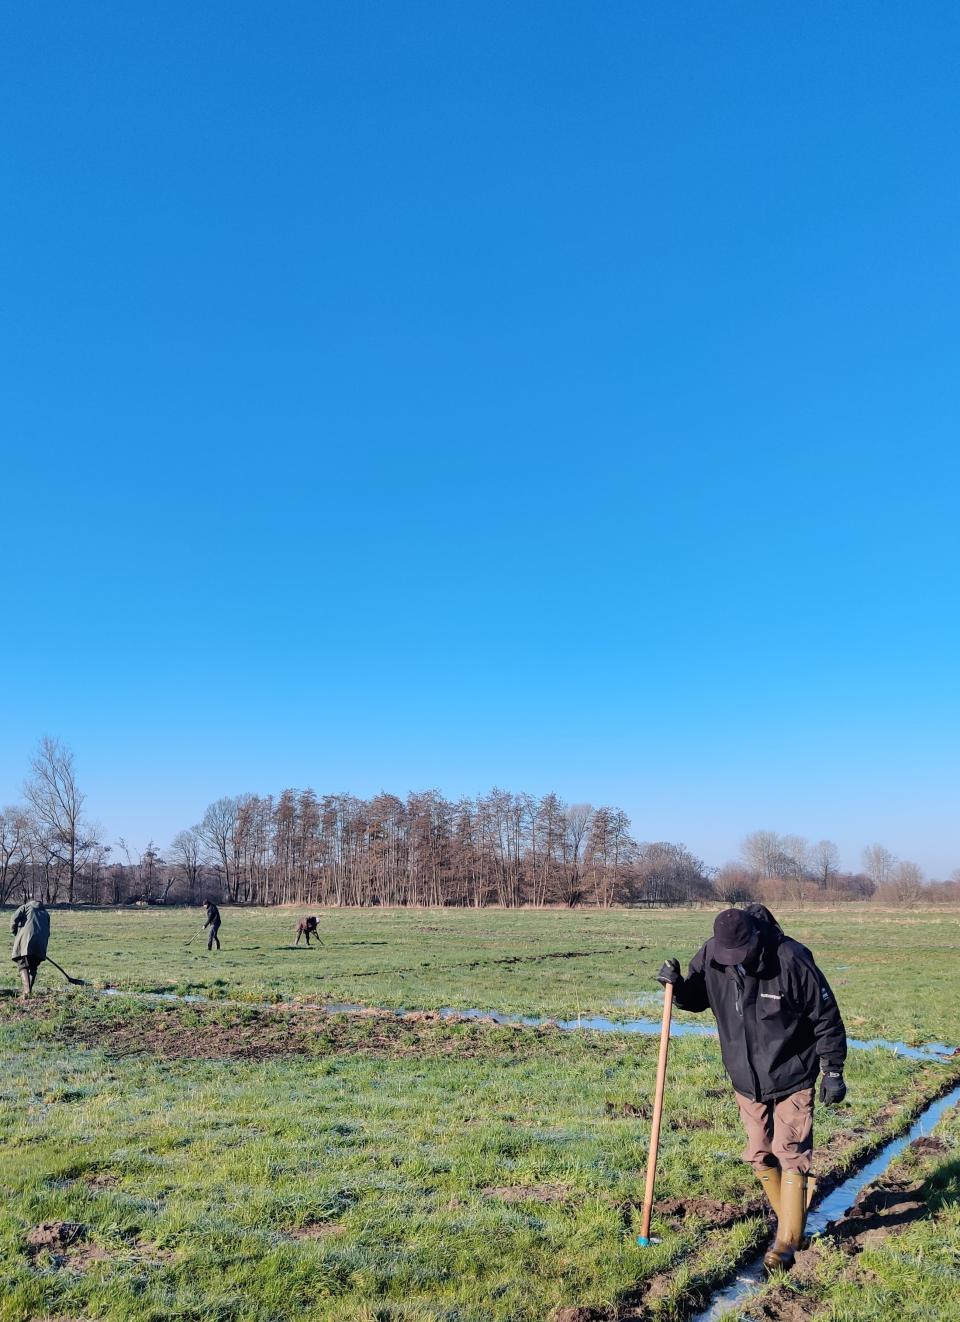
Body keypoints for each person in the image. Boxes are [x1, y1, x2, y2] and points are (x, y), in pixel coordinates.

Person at [657, 907, 847, 1271]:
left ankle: (787, 1243)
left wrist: (833, 1070)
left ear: (756, 937)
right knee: (759, 1151)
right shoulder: (713, 953)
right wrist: (677, 988)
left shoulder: (791, 958)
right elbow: (698, 997)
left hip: (792, 1070)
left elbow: (826, 1016)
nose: (733, 962)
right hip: (745, 1077)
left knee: (788, 1149)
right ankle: (792, 1219)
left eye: (739, 955)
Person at [10, 898, 50, 998]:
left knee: (22, 964)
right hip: (41, 944)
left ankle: (27, 992)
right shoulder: (46, 913)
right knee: (33, 967)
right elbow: (48, 931)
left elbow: (14, 919)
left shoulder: (25, 907)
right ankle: (29, 991)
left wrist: (14, 931)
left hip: (26, 942)